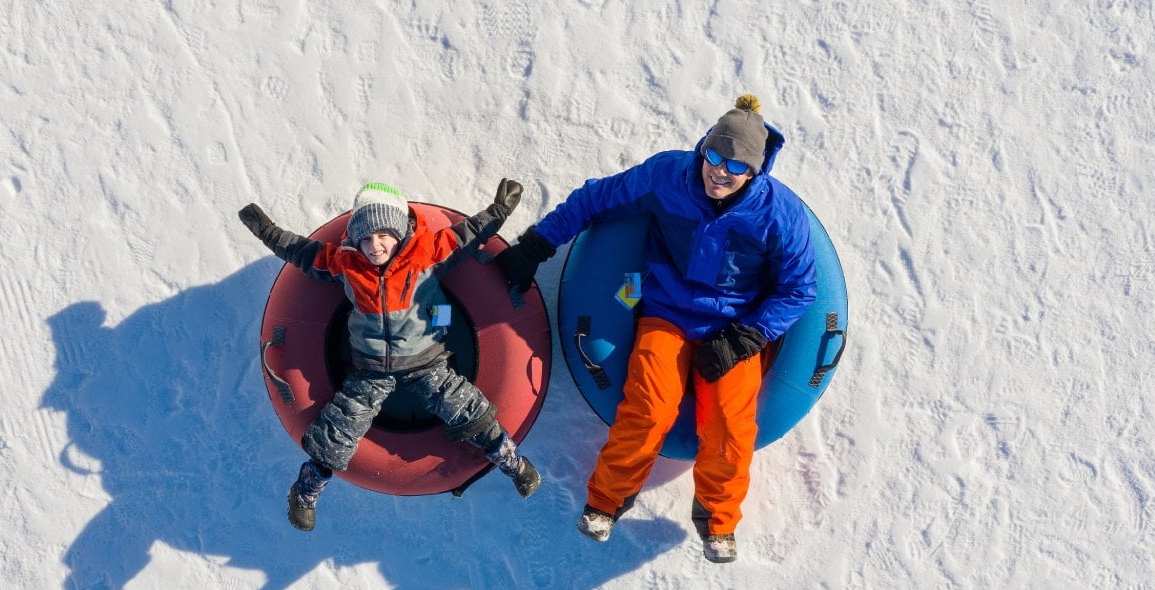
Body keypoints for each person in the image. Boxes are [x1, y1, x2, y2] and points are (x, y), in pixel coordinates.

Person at [495, 95, 817, 563]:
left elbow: (800, 287)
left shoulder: (778, 213)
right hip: (666, 314)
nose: (719, 172)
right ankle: (606, 502)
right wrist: (537, 245)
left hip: (734, 327)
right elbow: (596, 198)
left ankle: (718, 521)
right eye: (713, 155)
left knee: (729, 423)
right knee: (649, 408)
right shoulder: (669, 175)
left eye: (735, 166)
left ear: (755, 171)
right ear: (702, 146)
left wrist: (745, 337)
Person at [239, 180, 542, 531]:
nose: (375, 245)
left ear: (399, 232)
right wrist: (266, 230)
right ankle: (305, 492)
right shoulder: (345, 264)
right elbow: (301, 254)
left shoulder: (426, 254)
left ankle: (513, 464)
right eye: (366, 238)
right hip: (369, 371)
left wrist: (500, 210)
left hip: (426, 363)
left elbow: (467, 235)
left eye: (383, 235)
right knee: (340, 428)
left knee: (467, 407)